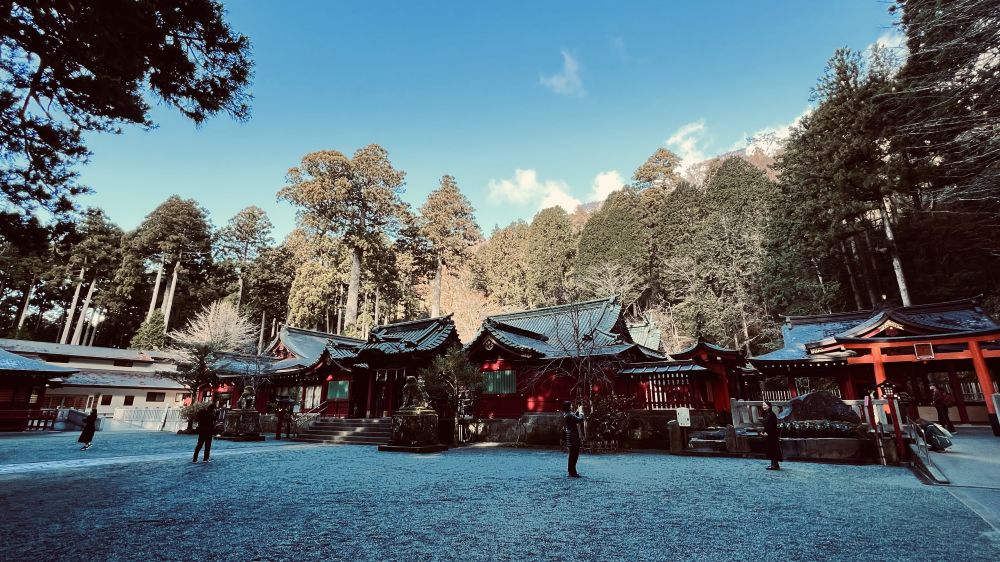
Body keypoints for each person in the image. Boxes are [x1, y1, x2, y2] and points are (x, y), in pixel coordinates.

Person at [562, 400, 584, 478]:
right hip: (573, 437)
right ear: (568, 406)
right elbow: (579, 419)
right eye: (571, 405)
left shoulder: (567, 414)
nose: (572, 406)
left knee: (572, 455)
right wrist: (581, 412)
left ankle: (571, 471)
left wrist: (577, 411)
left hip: (570, 436)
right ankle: (572, 472)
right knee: (574, 455)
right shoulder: (569, 415)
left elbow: (574, 416)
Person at [761, 401, 782, 470]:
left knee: (773, 449)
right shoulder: (767, 414)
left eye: (765, 405)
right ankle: (774, 464)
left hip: (772, 435)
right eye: (763, 405)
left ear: (769, 406)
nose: (763, 406)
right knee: (771, 449)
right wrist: (763, 432)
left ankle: (775, 465)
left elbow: (772, 426)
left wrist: (767, 432)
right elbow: (766, 425)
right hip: (768, 434)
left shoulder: (772, 414)